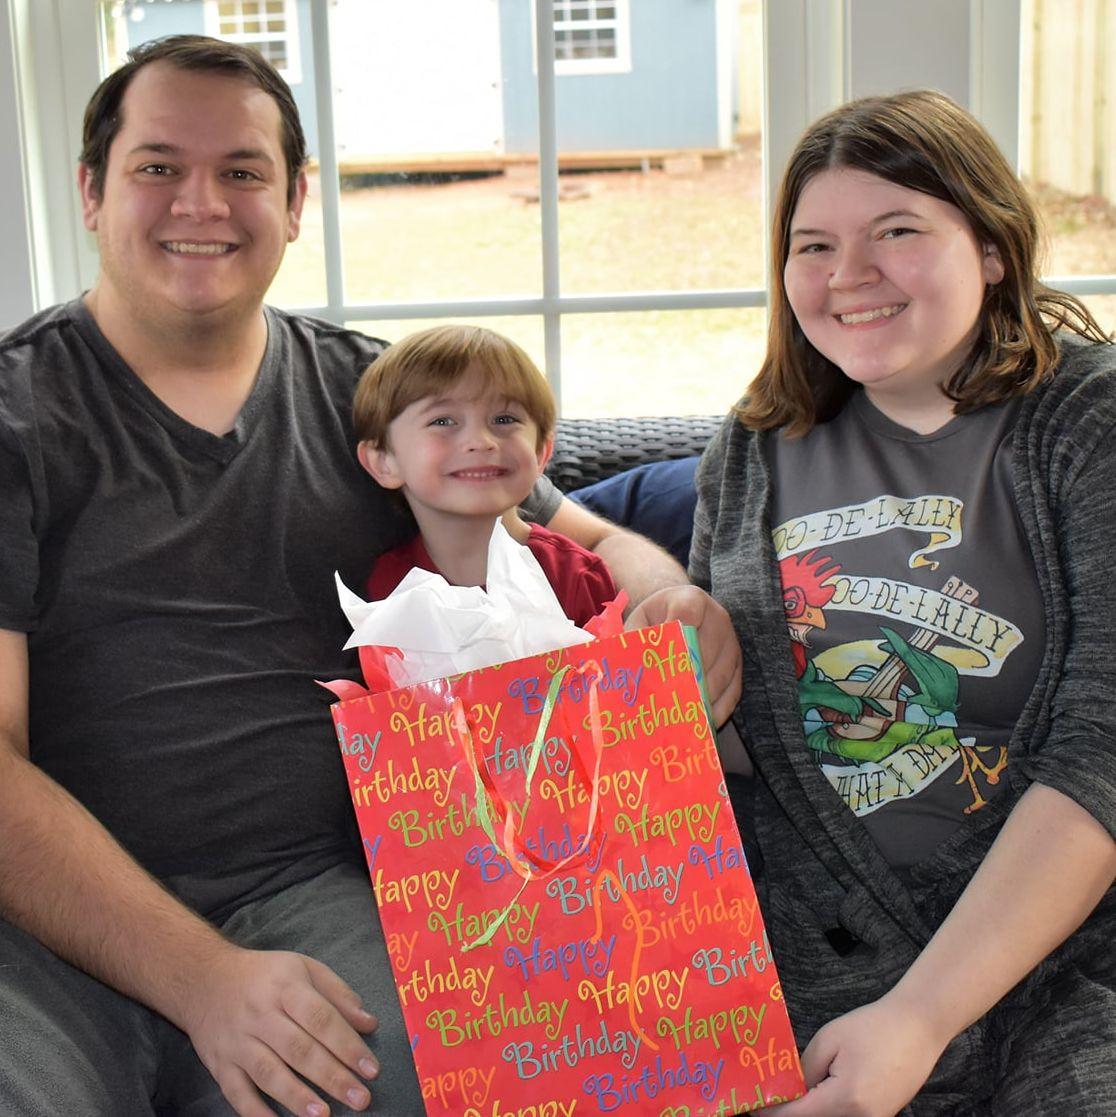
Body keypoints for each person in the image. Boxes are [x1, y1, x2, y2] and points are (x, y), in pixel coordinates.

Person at [0, 34, 741, 1117]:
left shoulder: (373, 402)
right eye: (157, 166)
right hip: (43, 932)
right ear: (91, 193)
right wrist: (202, 980)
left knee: (493, 1078)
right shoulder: (20, 416)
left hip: (316, 900)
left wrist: (669, 590)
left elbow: (580, 528)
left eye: (243, 171)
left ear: (297, 200)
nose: (199, 201)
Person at [692, 89, 1116, 1116]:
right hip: (795, 953)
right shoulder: (756, 445)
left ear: (993, 248)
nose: (849, 278)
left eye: (897, 231)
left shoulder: (1088, 426)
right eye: (814, 245)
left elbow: (1102, 753)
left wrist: (920, 1018)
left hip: (1058, 962)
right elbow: (756, 752)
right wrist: (685, 658)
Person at [354, 324, 617, 625]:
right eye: (442, 420)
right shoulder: (388, 585)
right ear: (384, 462)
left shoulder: (577, 577)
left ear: (540, 452)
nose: (481, 441)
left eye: (504, 419)